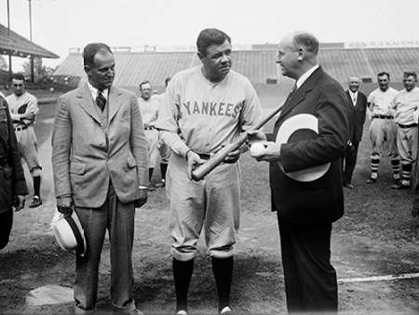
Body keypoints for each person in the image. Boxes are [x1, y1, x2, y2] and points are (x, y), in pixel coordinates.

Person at [155, 28, 262, 315]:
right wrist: (186, 152)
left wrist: (242, 147)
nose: (226, 59)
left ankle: (224, 305)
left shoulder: (242, 85)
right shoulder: (181, 81)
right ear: (201, 56)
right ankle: (181, 307)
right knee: (183, 237)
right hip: (185, 166)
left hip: (223, 167)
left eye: (229, 52)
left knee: (223, 236)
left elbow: (254, 131)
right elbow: (165, 127)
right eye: (217, 55)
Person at [248, 31, 350, 313]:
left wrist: (278, 152)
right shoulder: (304, 86)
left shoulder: (327, 88)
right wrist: (266, 138)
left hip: (311, 202)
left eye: (281, 52)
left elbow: (334, 143)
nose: (277, 58)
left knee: (314, 279)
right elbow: (303, 134)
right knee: (296, 278)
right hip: (294, 199)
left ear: (301, 53)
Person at [51, 42, 149, 314]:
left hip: (124, 186)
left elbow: (139, 142)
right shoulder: (68, 102)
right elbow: (60, 152)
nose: (110, 73)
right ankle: (84, 304)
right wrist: (63, 193)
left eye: (113, 68)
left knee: (122, 252)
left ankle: (124, 302)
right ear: (87, 70)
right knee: (86, 252)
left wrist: (142, 182)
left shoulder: (128, 99)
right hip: (86, 188)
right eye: (103, 69)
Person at [6, 73, 42, 208]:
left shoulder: (31, 99)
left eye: (20, 85)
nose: (18, 87)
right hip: (12, 134)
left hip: (27, 132)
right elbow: (10, 117)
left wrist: (14, 117)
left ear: (24, 85)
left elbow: (30, 118)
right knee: (11, 165)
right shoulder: (7, 100)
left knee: (34, 164)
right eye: (15, 85)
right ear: (11, 85)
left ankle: (37, 196)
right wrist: (21, 116)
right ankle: (14, 195)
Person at [0, 91, 28, 250]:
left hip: (2, 182)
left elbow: (13, 149)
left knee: (2, 235)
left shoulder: (1, 104)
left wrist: (19, 188)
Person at [366, 72, 400, 185]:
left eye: (385, 80)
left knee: (394, 148)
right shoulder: (373, 94)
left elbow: (400, 108)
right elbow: (368, 107)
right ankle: (373, 175)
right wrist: (372, 118)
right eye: (380, 80)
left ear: (389, 80)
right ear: (378, 81)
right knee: (376, 147)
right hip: (378, 120)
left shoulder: (396, 93)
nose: (382, 82)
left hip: (391, 121)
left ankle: (396, 176)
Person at [390, 71, 419, 189]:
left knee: (416, 155)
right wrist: (396, 117)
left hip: (414, 128)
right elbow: (391, 107)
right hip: (401, 127)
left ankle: (417, 181)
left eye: (410, 80)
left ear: (415, 81)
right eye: (405, 81)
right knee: (403, 155)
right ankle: (405, 182)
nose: (407, 83)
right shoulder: (399, 94)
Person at [343, 76, 368, 189]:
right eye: (352, 82)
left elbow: (362, 116)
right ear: (348, 83)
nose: (354, 84)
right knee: (340, 158)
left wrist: (358, 132)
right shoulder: (342, 96)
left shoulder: (363, 97)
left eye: (356, 83)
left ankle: (347, 180)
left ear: (359, 84)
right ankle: (339, 180)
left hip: (356, 134)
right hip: (343, 134)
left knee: (352, 158)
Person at [137, 81, 160, 190]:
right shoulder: (136, 102)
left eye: (148, 89)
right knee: (141, 156)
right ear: (140, 91)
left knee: (152, 157)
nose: (146, 91)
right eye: (144, 89)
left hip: (153, 131)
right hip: (140, 131)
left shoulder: (156, 102)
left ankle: (148, 181)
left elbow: (160, 118)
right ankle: (140, 182)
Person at [154, 76, 172, 188]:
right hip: (163, 130)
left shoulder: (178, 97)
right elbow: (157, 115)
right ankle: (164, 179)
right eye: (169, 84)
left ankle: (173, 180)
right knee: (165, 155)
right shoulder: (160, 98)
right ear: (166, 86)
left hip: (175, 131)